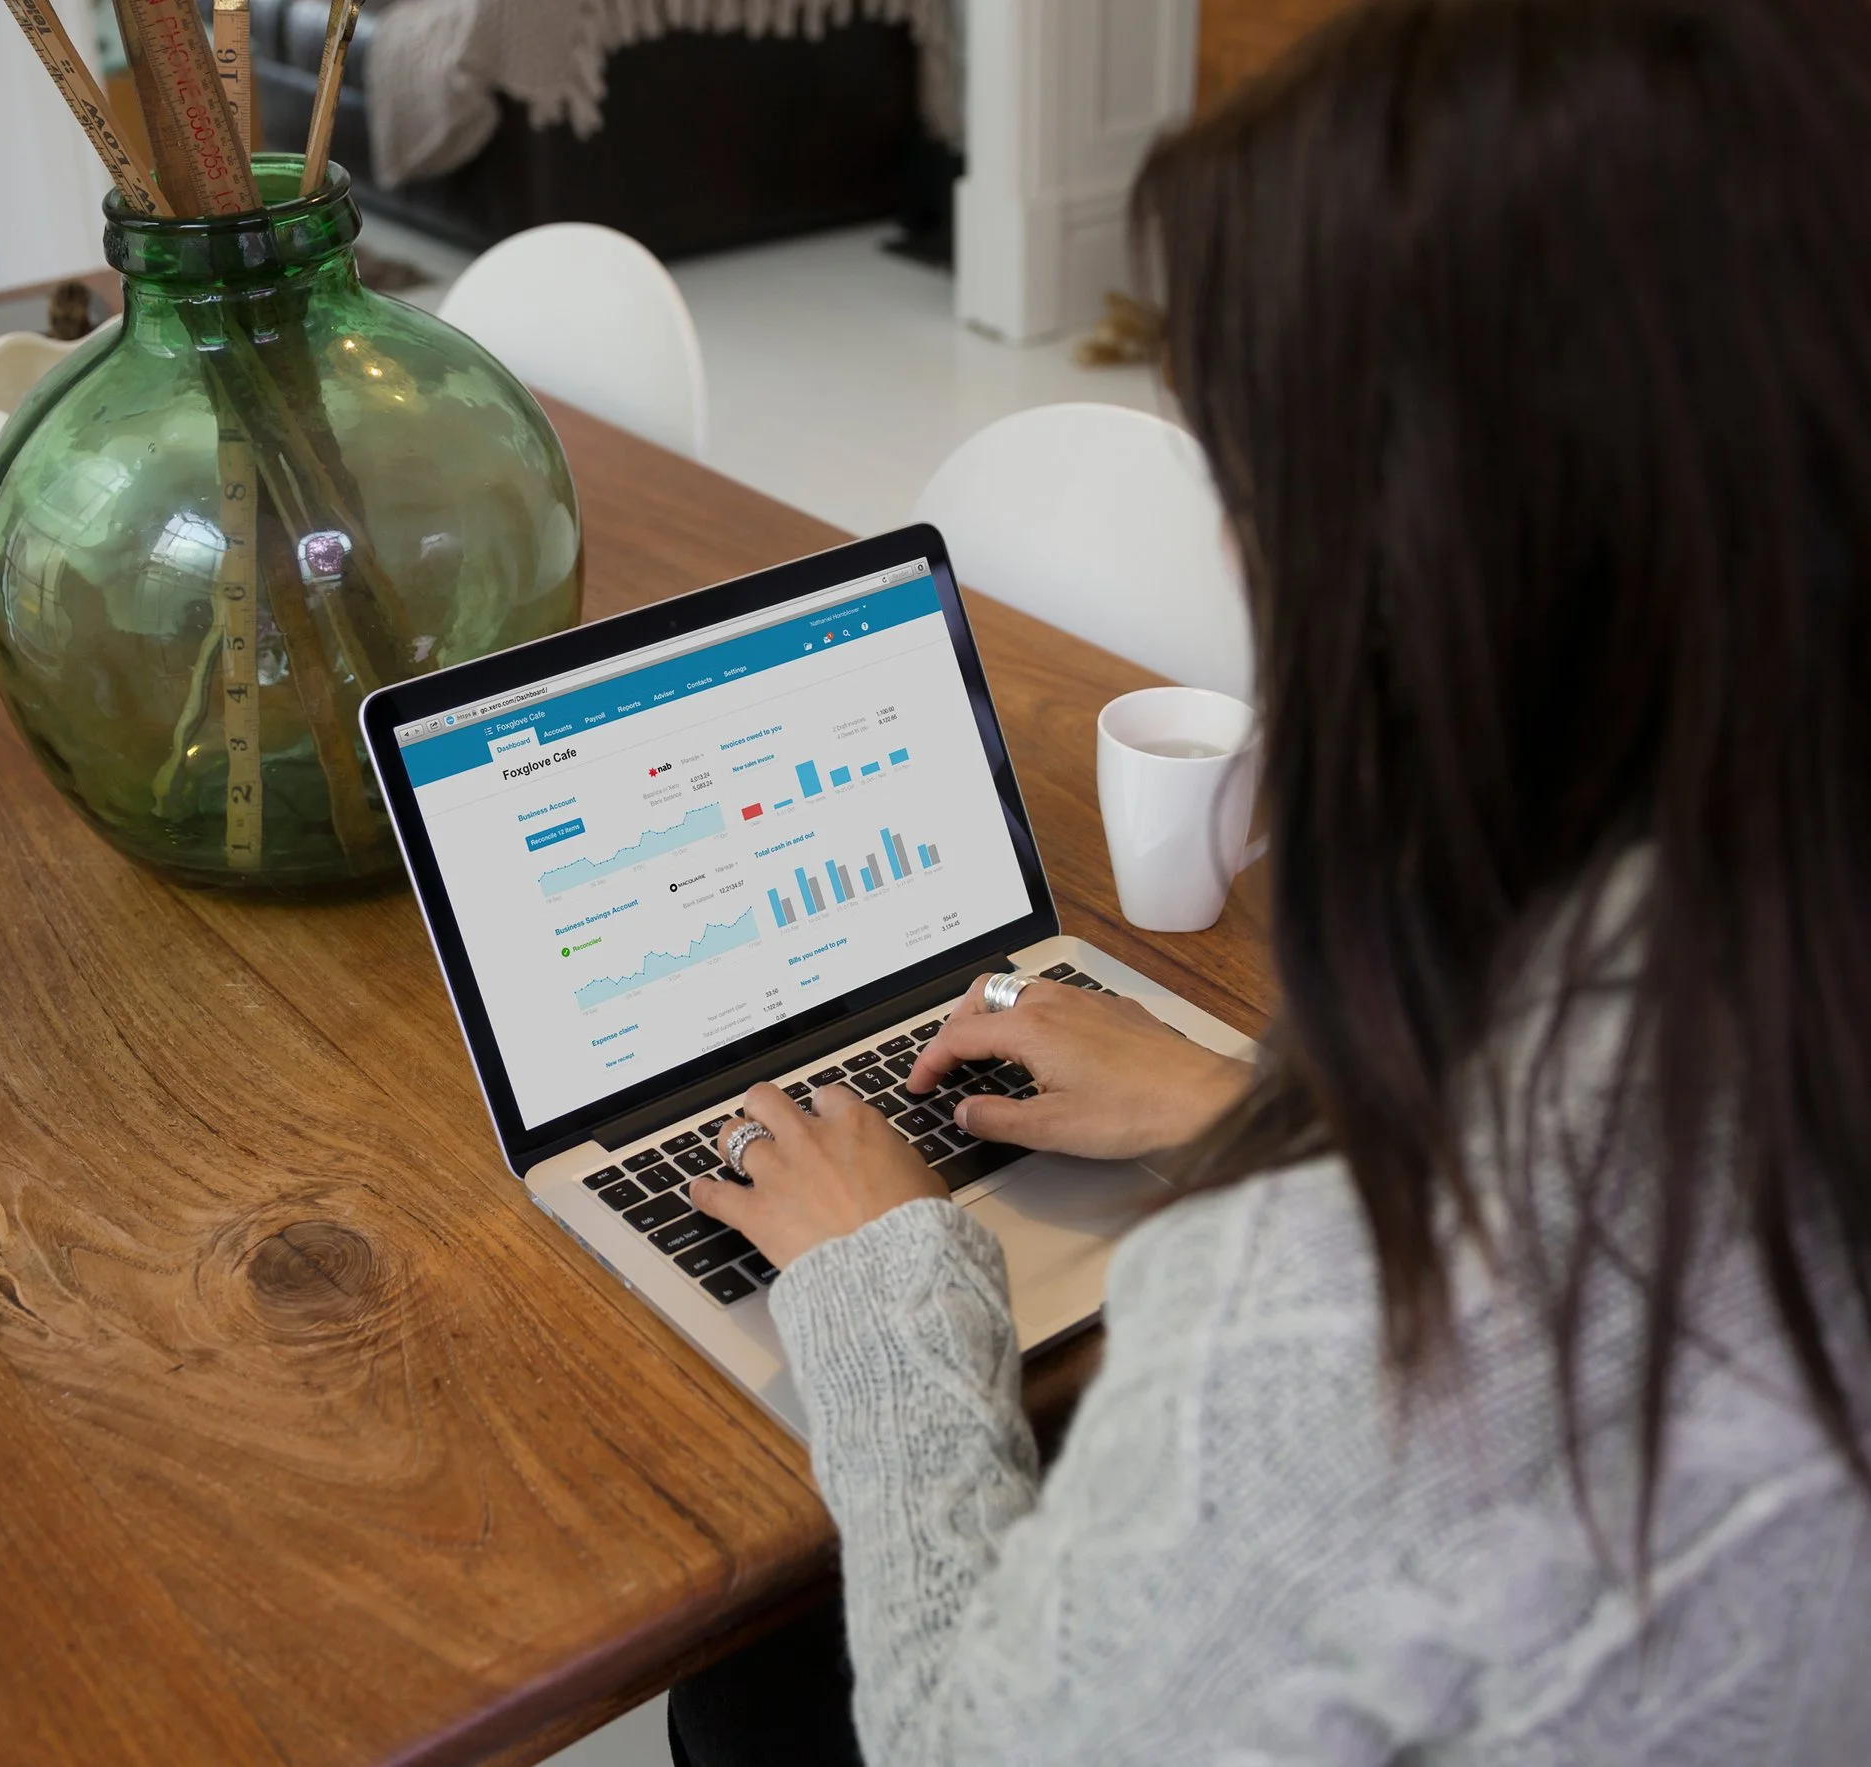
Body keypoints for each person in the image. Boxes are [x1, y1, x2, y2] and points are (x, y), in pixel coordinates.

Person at [666, 0, 1871, 1760]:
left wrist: (884, 1280)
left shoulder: (1352, 1328)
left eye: (1250, 475)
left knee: (750, 1681)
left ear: (1442, 568)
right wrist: (1241, 1102)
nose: (1241, 547)